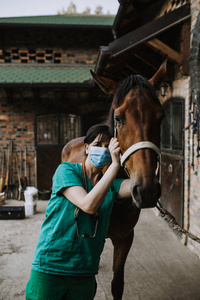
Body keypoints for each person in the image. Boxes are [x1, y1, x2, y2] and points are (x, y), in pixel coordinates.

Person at [26, 124, 131, 300]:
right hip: (51, 267)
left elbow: (139, 186)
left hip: (84, 272)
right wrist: (115, 165)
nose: (104, 151)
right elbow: (88, 204)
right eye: (98, 145)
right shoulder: (66, 170)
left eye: (108, 147)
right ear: (87, 148)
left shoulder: (110, 187)